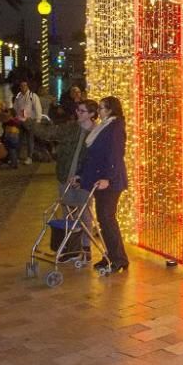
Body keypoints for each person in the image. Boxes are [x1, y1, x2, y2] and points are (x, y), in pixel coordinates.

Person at [77, 96, 129, 274]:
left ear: (110, 110)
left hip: (110, 182)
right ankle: (112, 255)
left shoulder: (114, 128)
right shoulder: (105, 126)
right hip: (99, 179)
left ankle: (118, 258)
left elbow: (115, 155)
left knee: (107, 219)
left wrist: (109, 178)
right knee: (104, 220)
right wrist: (81, 175)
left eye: (102, 108)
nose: (99, 111)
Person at [13, 80, 43, 164]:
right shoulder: (19, 95)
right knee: (19, 139)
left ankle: (29, 157)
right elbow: (15, 106)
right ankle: (18, 157)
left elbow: (38, 108)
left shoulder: (33, 96)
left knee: (30, 139)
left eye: (24, 85)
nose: (23, 87)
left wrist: (38, 120)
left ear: (28, 86)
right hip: (20, 120)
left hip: (30, 120)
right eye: (21, 86)